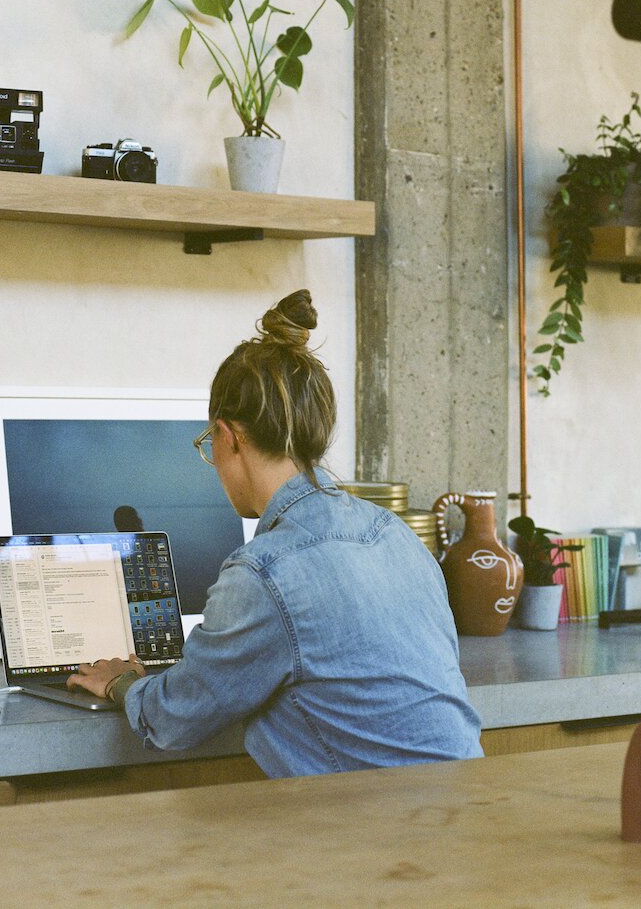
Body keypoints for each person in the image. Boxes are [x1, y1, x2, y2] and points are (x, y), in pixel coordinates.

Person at [68, 289, 482, 778]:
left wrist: (120, 682)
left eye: (209, 444)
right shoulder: (396, 534)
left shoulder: (263, 574)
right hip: (470, 804)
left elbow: (173, 719)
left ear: (228, 437)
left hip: (375, 822)